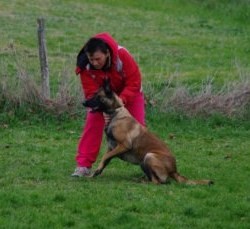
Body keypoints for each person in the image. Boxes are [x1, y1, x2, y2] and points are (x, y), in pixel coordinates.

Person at [72, 32, 145, 177]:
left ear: (106, 53)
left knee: (139, 129)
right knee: (93, 123)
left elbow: (134, 81)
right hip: (102, 97)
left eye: (98, 59)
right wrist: (105, 110)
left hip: (129, 93)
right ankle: (83, 166)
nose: (94, 63)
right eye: (91, 59)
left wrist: (119, 102)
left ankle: (147, 163)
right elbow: (91, 92)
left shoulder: (122, 55)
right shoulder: (84, 65)